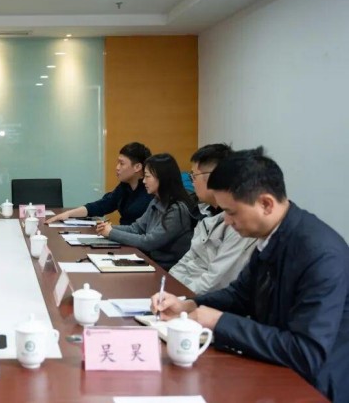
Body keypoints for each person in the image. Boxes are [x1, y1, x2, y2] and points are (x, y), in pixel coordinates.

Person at [151, 148, 349, 402]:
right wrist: (189, 304)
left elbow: (305, 352)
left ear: (266, 204)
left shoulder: (320, 254)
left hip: (315, 387)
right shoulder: (272, 236)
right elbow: (240, 294)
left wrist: (218, 321)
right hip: (275, 370)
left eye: (232, 212)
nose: (226, 221)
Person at [169, 144, 256, 294]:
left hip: (204, 299)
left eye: (193, 176)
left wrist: (177, 294)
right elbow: (188, 259)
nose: (192, 182)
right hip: (186, 291)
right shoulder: (204, 212)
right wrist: (168, 285)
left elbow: (216, 282)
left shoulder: (241, 223)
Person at [95, 153, 196, 270]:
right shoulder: (156, 201)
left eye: (147, 176)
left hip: (168, 270)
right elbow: (136, 228)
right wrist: (108, 228)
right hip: (152, 263)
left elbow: (149, 242)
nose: (143, 181)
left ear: (162, 178)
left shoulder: (177, 210)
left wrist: (111, 232)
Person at [46, 142, 152, 225]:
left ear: (137, 167)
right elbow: (101, 206)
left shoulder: (150, 191)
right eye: (118, 163)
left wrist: (112, 231)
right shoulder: (124, 187)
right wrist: (69, 214)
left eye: (122, 163)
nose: (117, 168)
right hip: (124, 239)